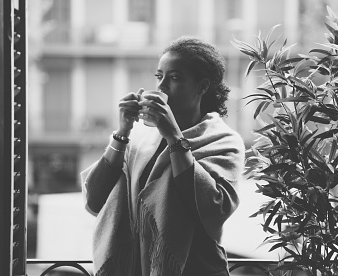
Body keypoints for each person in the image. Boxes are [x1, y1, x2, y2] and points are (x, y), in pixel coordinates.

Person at [81, 36, 245, 276]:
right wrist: (123, 132)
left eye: (175, 77)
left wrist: (174, 138)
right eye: (159, 76)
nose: (161, 87)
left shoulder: (223, 141)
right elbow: (94, 200)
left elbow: (213, 208)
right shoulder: (137, 138)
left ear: (202, 87)